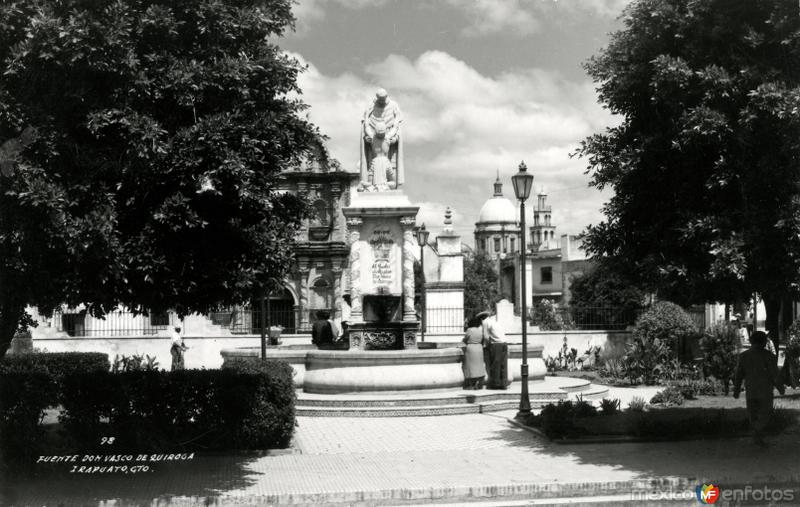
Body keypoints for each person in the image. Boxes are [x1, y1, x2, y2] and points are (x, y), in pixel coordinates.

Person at [733, 331, 785, 446]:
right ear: (764, 342)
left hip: (751, 391)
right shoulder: (769, 356)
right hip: (765, 391)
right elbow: (774, 374)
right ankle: (757, 433)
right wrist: (780, 387)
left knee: (753, 415)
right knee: (765, 414)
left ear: (751, 341)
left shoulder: (744, 356)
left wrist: (736, 389)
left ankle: (757, 437)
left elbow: (739, 375)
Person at [462, 316, 487, 389]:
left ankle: (471, 385)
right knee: (479, 366)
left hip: (471, 349)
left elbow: (465, 339)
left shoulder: (469, 330)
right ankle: (478, 383)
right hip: (479, 348)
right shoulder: (480, 330)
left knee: (470, 366)